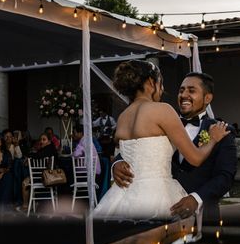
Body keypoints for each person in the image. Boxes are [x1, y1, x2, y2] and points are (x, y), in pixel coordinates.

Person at [97, 62, 232, 222]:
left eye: (191, 90)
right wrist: (213, 139)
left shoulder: (122, 117)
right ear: (150, 83)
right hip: (158, 195)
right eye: (160, 84)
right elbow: (195, 158)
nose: (162, 90)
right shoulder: (163, 110)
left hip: (122, 196)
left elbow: (134, 151)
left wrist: (117, 162)